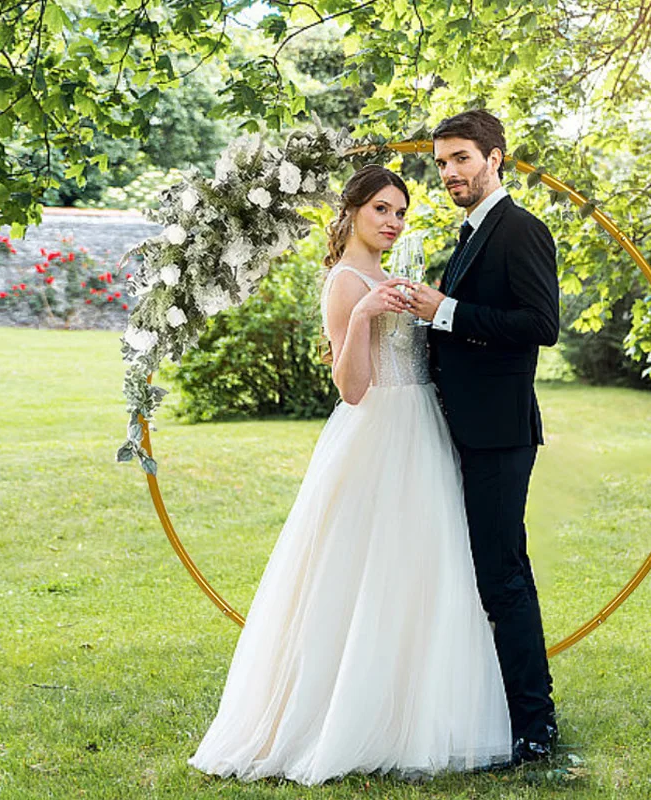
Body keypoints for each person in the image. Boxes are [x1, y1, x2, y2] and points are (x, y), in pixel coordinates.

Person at [188, 165, 512, 785]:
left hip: (424, 427)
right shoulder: (344, 282)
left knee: (424, 567)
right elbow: (353, 388)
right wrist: (363, 313)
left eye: (400, 212)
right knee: (362, 569)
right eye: (381, 209)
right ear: (353, 212)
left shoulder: (397, 277)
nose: (392, 222)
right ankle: (342, 716)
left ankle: (416, 715)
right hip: (377, 432)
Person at [409, 110, 560, 764]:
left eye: (461, 159)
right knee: (487, 570)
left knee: (502, 575)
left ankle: (535, 724)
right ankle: (502, 707)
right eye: (442, 162)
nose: (449, 172)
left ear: (496, 159)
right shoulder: (471, 232)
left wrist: (444, 310)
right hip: (465, 426)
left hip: (499, 431)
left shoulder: (520, 229)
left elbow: (540, 324)